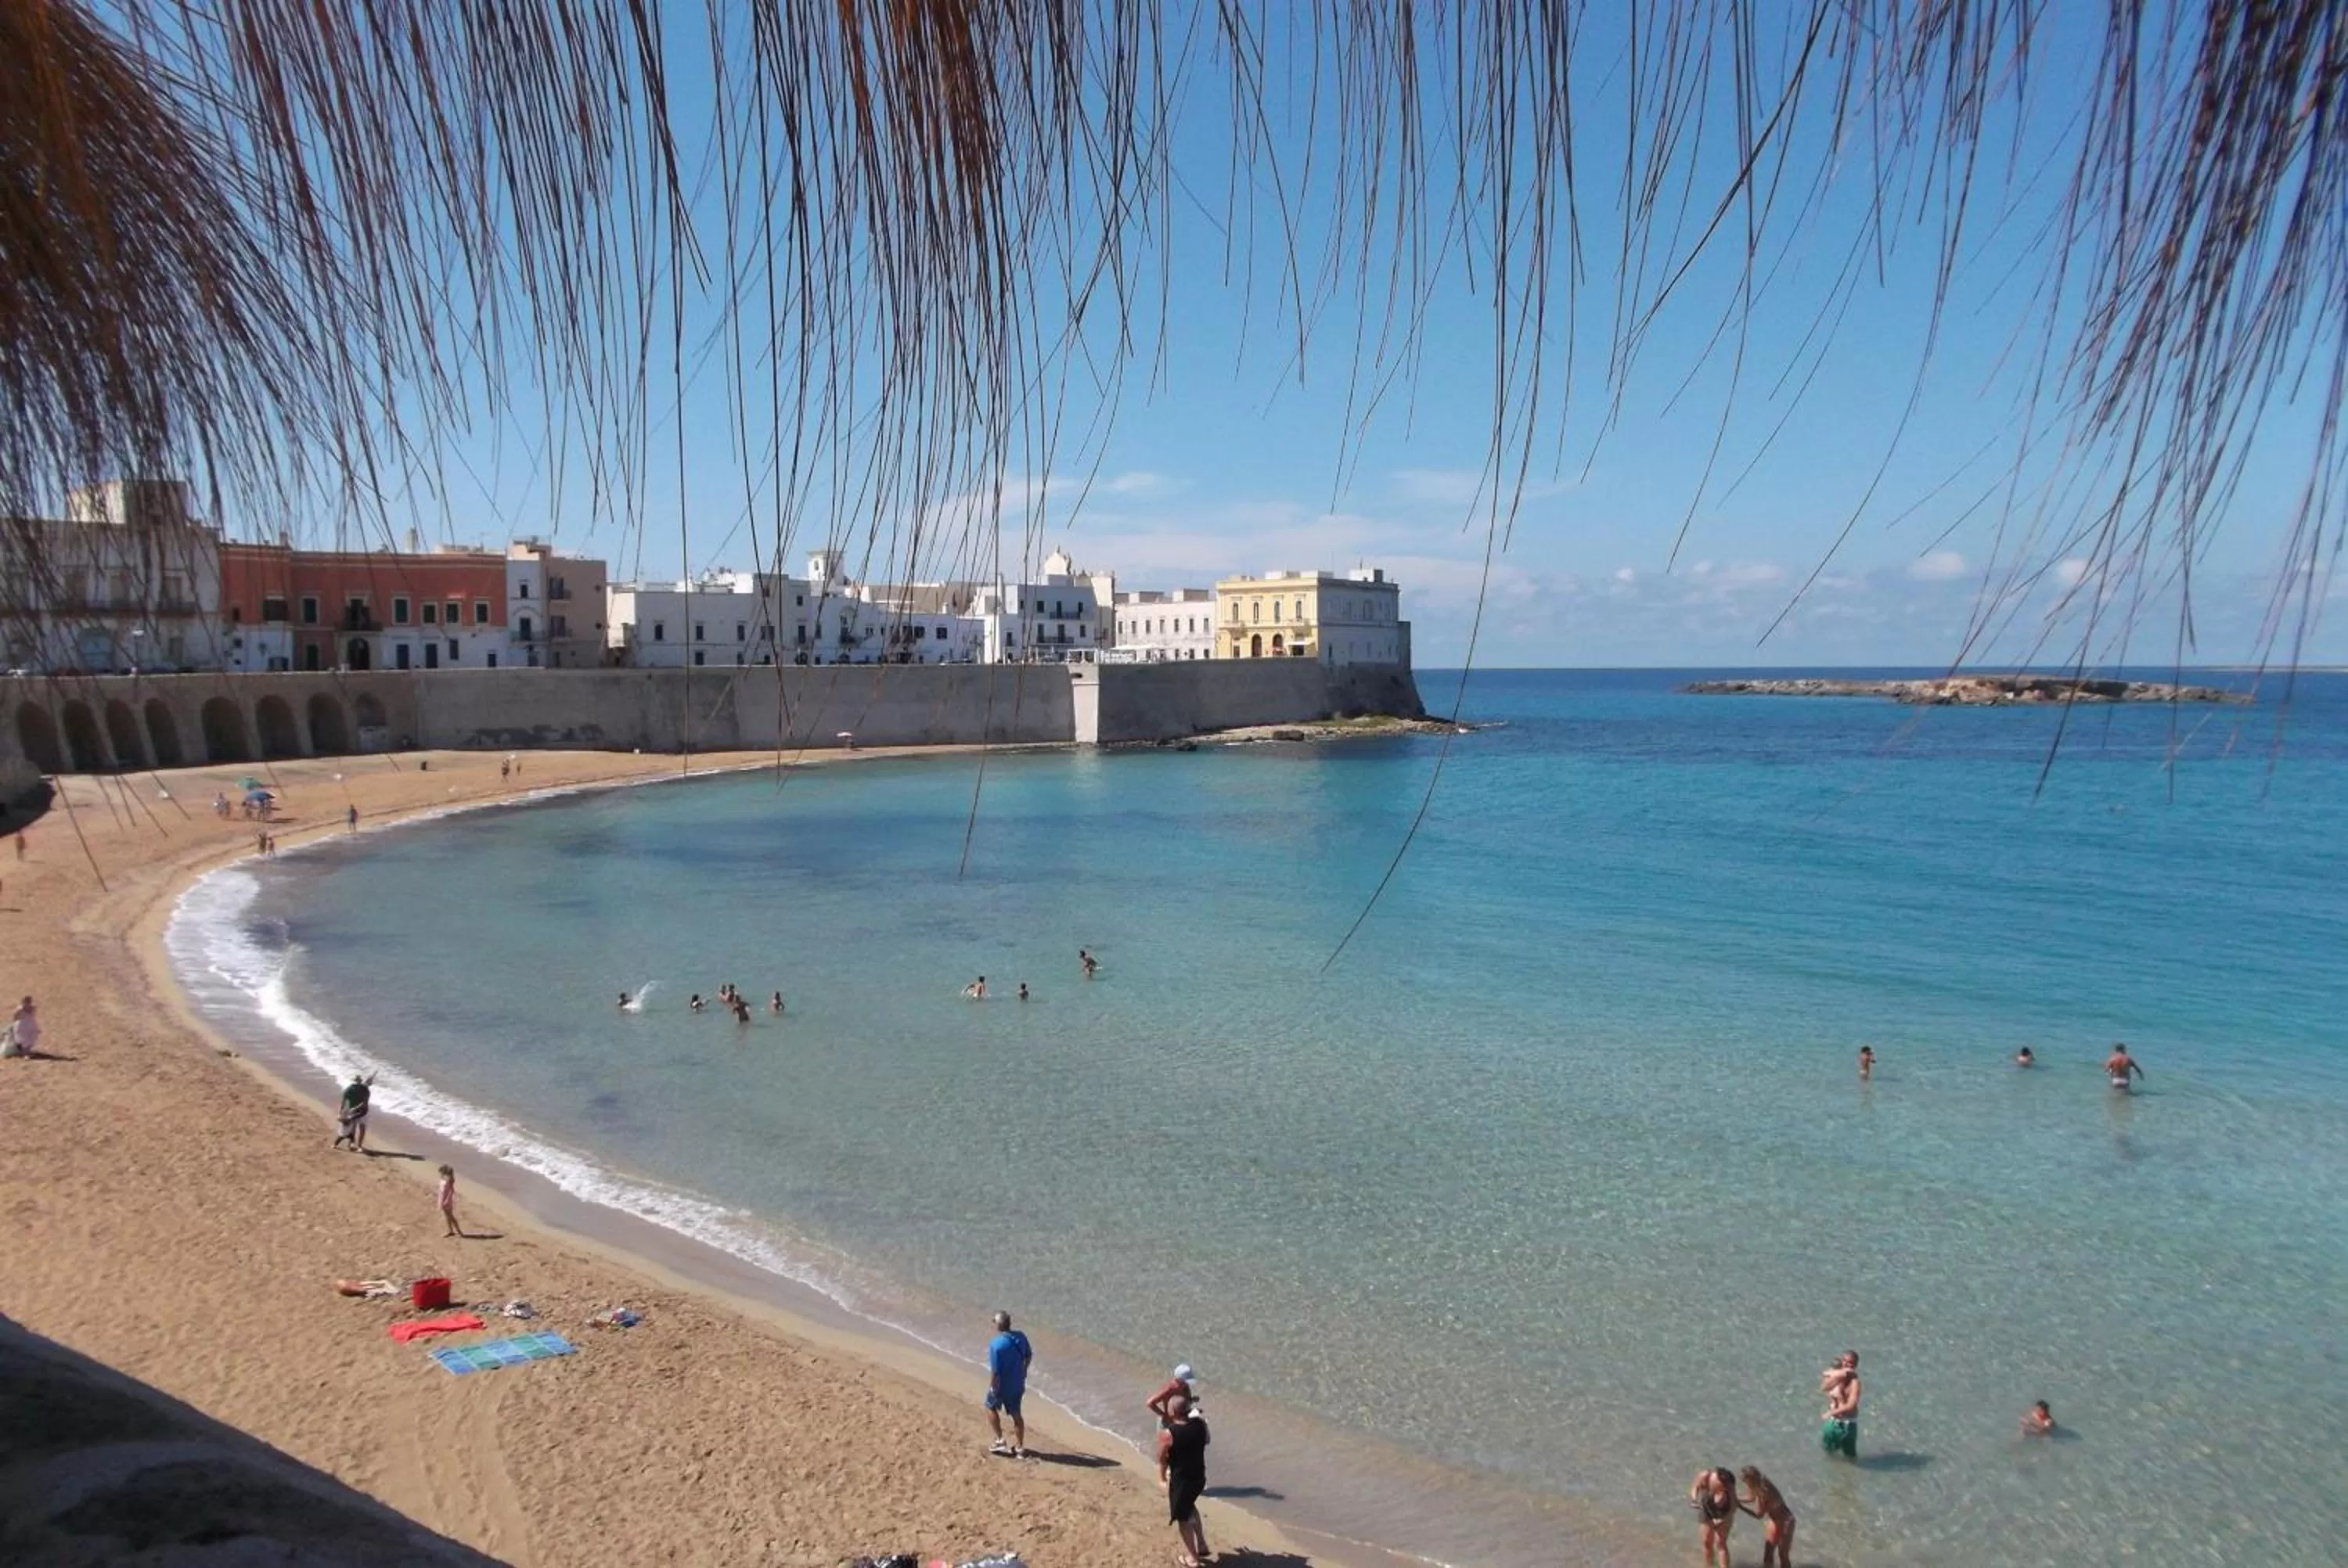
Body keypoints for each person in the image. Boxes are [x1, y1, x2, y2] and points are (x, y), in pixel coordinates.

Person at [1160, 1394, 1212, 1568]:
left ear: (1173, 1411)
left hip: (1182, 1481)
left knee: (1182, 1518)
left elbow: (1162, 1458)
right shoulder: (1200, 1425)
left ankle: (1193, 1559)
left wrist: (1161, 1477)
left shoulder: (1169, 1434)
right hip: (1199, 1477)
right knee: (1190, 1506)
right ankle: (1202, 1544)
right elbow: (1207, 1440)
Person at [984, 1311, 1033, 1457]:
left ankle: (1000, 1440)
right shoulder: (1021, 1337)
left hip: (1002, 1385)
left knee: (990, 1407)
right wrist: (1024, 1371)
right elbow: (1028, 1355)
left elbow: (995, 1371)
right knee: (1017, 1415)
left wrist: (993, 1387)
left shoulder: (996, 1345)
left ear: (998, 1326)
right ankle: (1020, 1447)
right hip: (1017, 1384)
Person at [1737, 1466, 1796, 1568]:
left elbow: (1759, 1515)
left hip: (1786, 1520)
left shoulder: (1764, 1491)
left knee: (1783, 1554)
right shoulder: (1760, 1483)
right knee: (1768, 1552)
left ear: (1751, 1479)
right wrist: (1735, 1499)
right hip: (1774, 1520)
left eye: (1745, 1481)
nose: (1744, 1484)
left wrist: (1740, 1507)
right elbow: (1751, 1498)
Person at [1687, 1467, 1736, 1568]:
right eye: (1723, 1485)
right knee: (1707, 1542)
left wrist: (1724, 1519)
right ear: (1718, 1479)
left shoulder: (1729, 1487)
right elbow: (1695, 1487)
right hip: (1706, 1509)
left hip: (1724, 1512)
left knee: (1721, 1543)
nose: (1725, 1488)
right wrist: (1694, 1499)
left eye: (1727, 1486)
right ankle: (1709, 1566)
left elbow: (1733, 1507)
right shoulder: (1706, 1476)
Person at [1821, 1350, 1862, 1458]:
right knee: (1829, 1453)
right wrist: (1834, 1375)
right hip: (1833, 1423)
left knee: (1850, 1457)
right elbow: (1824, 1388)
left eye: (1852, 1363)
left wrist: (1831, 1412)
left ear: (1856, 1365)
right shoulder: (1836, 1378)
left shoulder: (1855, 1382)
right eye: (1846, 1362)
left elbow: (1851, 1405)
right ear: (1842, 1361)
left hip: (1848, 1425)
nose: (1848, 1365)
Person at [1147, 1363, 1198, 1427]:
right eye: (1185, 1381)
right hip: (1169, 1423)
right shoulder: (1170, 1388)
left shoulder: (1185, 1387)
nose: (1188, 1384)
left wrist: (1192, 1399)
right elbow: (1150, 1403)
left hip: (1182, 1420)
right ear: (1178, 1380)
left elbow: (1182, 1402)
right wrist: (1164, 1416)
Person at [333, 1073, 373, 1151]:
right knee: (353, 1129)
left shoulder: (366, 1090)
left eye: (358, 1082)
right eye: (355, 1082)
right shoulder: (348, 1091)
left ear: (360, 1082)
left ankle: (360, 1146)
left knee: (362, 1128)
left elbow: (365, 1103)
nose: (357, 1084)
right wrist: (340, 1114)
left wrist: (356, 1108)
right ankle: (351, 1145)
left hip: (363, 1112)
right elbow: (343, 1103)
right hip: (352, 1112)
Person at [2, 995, 39, 1059]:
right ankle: (25, 1054)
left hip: (30, 1025)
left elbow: (33, 1016)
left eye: (29, 1001)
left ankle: (26, 1052)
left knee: (30, 1039)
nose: (28, 1002)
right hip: (22, 1026)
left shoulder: (33, 1008)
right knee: (24, 1040)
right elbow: (15, 1017)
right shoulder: (20, 1009)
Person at [437, 1164, 462, 1237]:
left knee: (450, 1216)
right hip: (442, 1199)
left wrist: (447, 1200)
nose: (440, 1174)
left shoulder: (449, 1181)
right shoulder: (443, 1179)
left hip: (447, 1201)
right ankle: (450, 1231)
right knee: (447, 1216)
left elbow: (451, 1191)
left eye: (441, 1173)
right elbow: (441, 1189)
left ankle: (459, 1231)